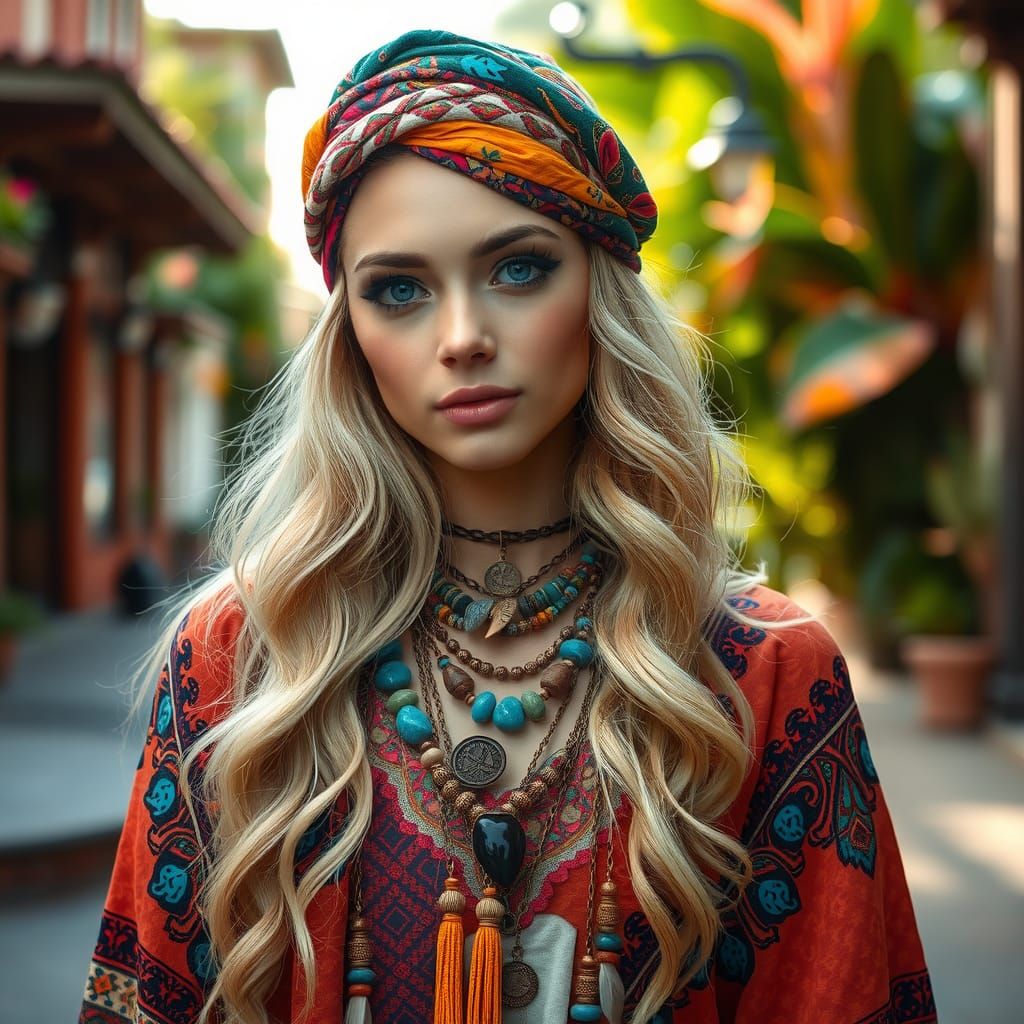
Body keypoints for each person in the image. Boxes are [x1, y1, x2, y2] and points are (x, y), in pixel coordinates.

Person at [80, 30, 935, 1024]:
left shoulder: (761, 671)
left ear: (598, 290)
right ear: (349, 334)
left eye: (518, 269)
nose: (460, 337)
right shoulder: (244, 656)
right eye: (397, 289)